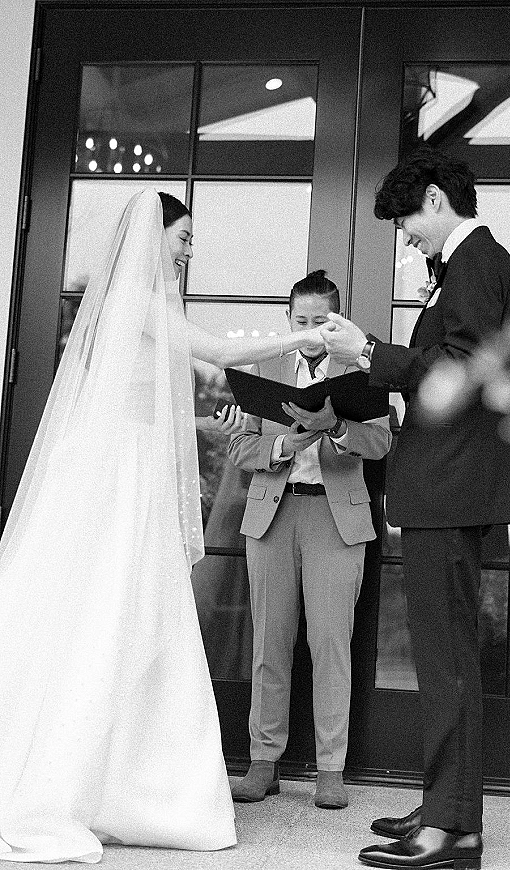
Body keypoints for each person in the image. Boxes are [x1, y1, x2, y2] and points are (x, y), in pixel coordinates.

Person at [0, 189, 328, 863]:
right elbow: (214, 349)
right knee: (114, 614)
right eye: (183, 237)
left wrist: (220, 417)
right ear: (156, 238)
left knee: (133, 617)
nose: (189, 248)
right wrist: (303, 334)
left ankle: (119, 782)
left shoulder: (143, 307)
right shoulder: (141, 301)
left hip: (127, 467)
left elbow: (175, 382)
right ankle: (96, 785)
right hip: (118, 478)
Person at [320, 147, 510, 868]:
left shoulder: (476, 265)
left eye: (409, 219)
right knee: (447, 661)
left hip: (453, 484)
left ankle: (452, 828)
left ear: (438, 200)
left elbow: (457, 375)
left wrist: (370, 350)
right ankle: (451, 811)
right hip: (451, 481)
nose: (407, 235)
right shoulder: (473, 266)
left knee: (444, 664)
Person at [227, 270, 391, 810]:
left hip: (335, 519)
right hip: (272, 517)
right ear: (288, 321)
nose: (311, 330)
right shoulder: (266, 369)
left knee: (330, 647)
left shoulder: (360, 368)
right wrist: (282, 444)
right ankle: (262, 765)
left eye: (321, 322)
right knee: (270, 646)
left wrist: (335, 427)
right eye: (300, 321)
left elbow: (380, 440)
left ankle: (330, 769)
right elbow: (241, 450)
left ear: (336, 320)